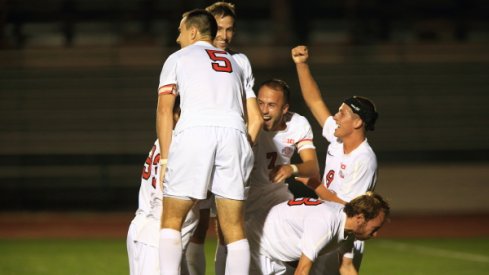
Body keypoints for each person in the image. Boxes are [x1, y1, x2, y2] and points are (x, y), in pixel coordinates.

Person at [157, 9, 260, 275]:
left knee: (171, 219)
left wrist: (166, 158)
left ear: (192, 31)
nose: (178, 37)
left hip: (196, 132)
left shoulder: (178, 57)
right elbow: (253, 116)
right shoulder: (235, 62)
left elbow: (165, 110)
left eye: (180, 31)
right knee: (234, 228)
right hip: (235, 134)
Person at [184, 3, 263, 275]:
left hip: (226, 147)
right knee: (195, 223)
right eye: (220, 28)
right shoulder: (190, 56)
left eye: (231, 30)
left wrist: (243, 148)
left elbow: (255, 117)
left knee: (227, 227)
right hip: (200, 145)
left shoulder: (240, 61)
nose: (225, 36)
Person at [291, 45, 379, 274]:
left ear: (358, 122)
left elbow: (349, 208)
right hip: (326, 223)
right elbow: (315, 101)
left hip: (346, 234)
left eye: (342, 113)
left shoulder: (364, 159)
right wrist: (301, 64)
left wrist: (312, 184)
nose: (335, 117)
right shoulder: (338, 139)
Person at [127, 98, 200, 275]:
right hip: (158, 236)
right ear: (175, 115)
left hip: (146, 229)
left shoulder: (165, 140)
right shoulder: (183, 143)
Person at [247, 192, 390, 275]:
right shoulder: (326, 223)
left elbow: (346, 267)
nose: (375, 234)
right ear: (360, 218)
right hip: (258, 247)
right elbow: (302, 271)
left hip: (274, 253)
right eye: (375, 228)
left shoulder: (346, 224)